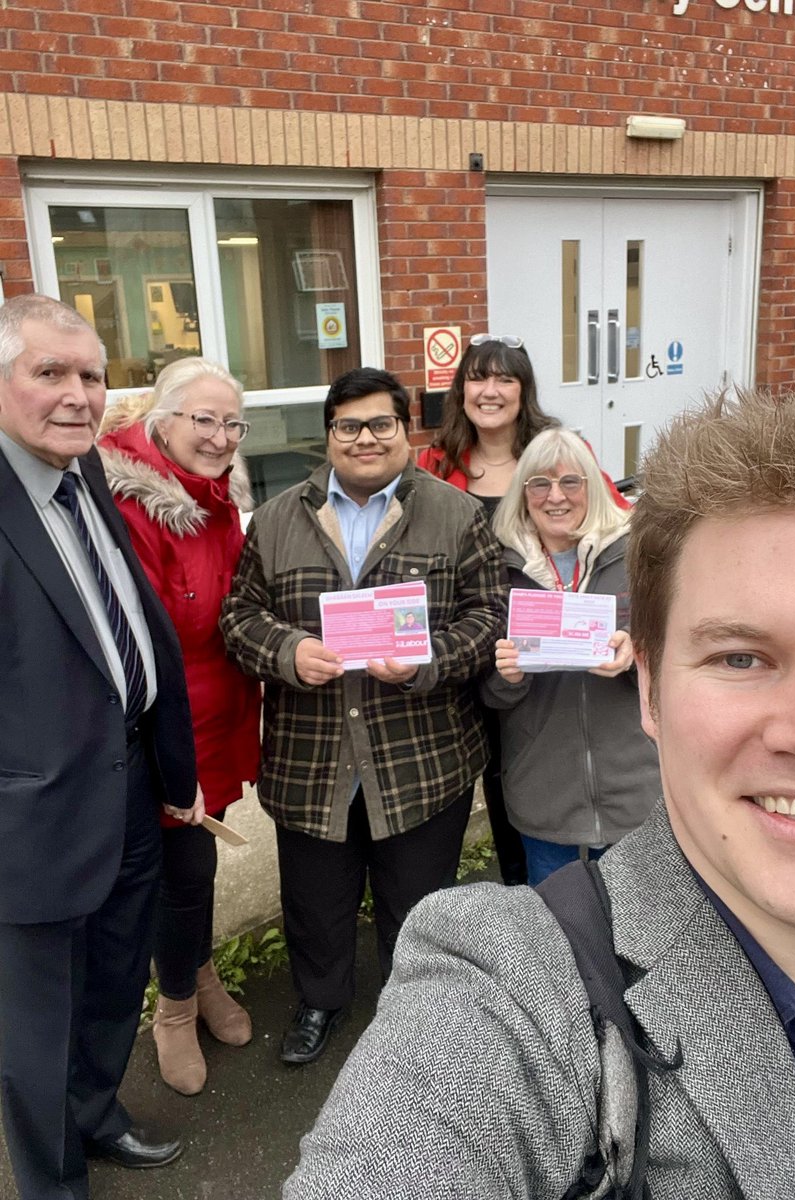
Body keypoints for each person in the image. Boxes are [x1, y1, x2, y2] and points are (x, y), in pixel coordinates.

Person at [284, 385, 795, 1200]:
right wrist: (499, 672)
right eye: (741, 659)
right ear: (656, 688)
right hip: (544, 791)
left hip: (619, 786)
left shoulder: (616, 559)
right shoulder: (506, 993)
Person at [221, 366, 504, 1067]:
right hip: (311, 757)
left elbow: (489, 616)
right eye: (348, 426)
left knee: (419, 902)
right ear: (329, 436)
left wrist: (427, 660)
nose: (365, 438)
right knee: (317, 901)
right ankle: (321, 1001)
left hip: (419, 756)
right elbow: (238, 618)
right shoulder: (280, 519)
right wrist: (288, 651)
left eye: (381, 423)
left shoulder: (455, 514)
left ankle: (414, 1014)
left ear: (406, 431)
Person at [0, 294, 196, 1200]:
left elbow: (130, 631)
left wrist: (170, 767)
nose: (80, 395)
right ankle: (51, 1178)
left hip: (128, 785)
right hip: (32, 811)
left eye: (91, 374)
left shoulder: (87, 478)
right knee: (35, 1020)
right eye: (51, 373)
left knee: (118, 977)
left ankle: (96, 1112)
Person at [98, 358, 261, 1097]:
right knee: (182, 876)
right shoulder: (134, 505)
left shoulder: (219, 494)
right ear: (161, 419)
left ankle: (197, 975)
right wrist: (167, 764)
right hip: (169, 729)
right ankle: (172, 1010)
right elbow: (142, 643)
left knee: (199, 870)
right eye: (204, 419)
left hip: (220, 714)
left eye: (232, 423)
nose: (221, 436)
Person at [418, 335, 631, 886]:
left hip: (557, 681)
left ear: (523, 390)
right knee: (512, 792)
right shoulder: (437, 465)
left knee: (541, 778)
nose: (490, 391)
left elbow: (615, 538)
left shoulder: (558, 455)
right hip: (474, 656)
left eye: (504, 379)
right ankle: (526, 915)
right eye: (478, 378)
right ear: (460, 388)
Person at [483, 427, 660, 885]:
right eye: (539, 483)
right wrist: (507, 677)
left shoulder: (634, 555)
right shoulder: (499, 571)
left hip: (630, 784)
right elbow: (486, 694)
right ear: (523, 495)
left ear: (592, 488)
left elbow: (675, 649)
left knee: (635, 928)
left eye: (570, 482)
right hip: (544, 789)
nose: (555, 497)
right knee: (556, 929)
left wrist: (633, 652)